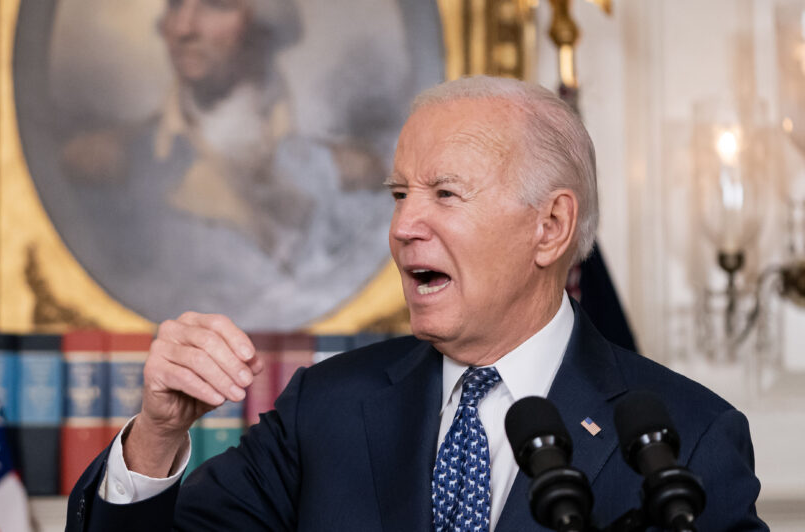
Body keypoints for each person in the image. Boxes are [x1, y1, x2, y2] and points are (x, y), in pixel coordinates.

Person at [65, 76, 766, 531]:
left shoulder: (687, 441)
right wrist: (156, 435)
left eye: (444, 194)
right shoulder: (327, 410)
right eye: (400, 195)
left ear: (549, 227)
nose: (403, 227)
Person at [58, 0, 398, 330]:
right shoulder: (108, 165)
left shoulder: (347, 173)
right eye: (175, 5)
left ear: (262, 27)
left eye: (214, 5)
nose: (182, 28)